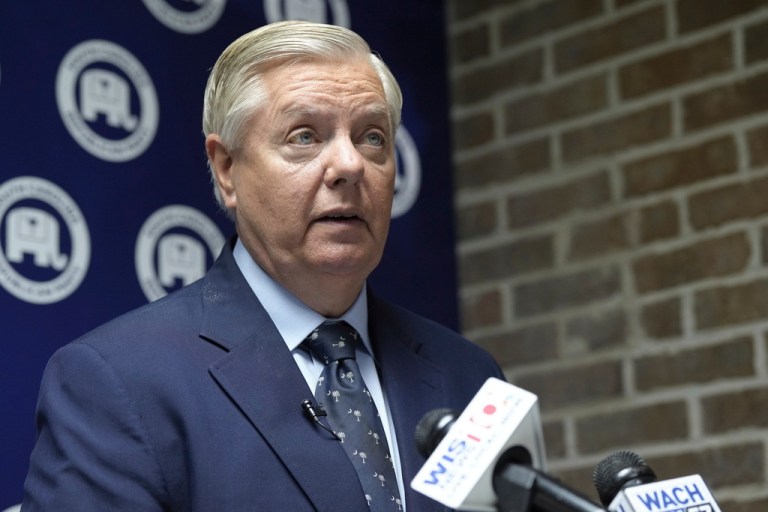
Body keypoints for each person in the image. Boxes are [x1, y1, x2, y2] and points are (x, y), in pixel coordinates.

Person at [22, 20, 504, 511]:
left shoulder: (466, 375)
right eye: (304, 136)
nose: (351, 165)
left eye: (373, 137)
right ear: (226, 169)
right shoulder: (117, 382)